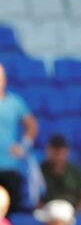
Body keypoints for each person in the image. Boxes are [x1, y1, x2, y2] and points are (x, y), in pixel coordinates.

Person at [0, 62, 38, 213]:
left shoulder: (14, 102)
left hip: (9, 166)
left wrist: (24, 145)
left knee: (9, 212)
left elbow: (31, 125)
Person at [40, 134, 81, 211]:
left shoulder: (74, 171)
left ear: (66, 152)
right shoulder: (40, 170)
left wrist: (77, 213)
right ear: (48, 151)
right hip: (49, 211)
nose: (57, 156)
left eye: (60, 152)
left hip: (71, 211)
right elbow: (36, 199)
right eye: (54, 152)